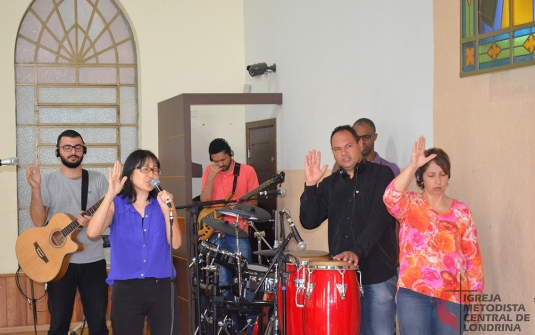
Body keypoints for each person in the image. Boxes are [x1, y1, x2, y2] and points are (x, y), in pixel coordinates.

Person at [300, 125, 398, 335]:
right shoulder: (329, 184)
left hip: (378, 274)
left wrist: (357, 250)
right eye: (337, 149)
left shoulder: (382, 174)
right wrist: (310, 185)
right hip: (343, 279)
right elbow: (309, 221)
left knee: (380, 332)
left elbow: (379, 219)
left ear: (360, 144)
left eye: (348, 146)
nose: (343, 153)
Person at [382, 136, 484, 335]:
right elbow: (389, 196)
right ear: (421, 178)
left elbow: (473, 259)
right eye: (431, 175)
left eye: (443, 174)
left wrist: (476, 297)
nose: (438, 181)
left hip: (453, 296)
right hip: (413, 294)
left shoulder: (462, 212)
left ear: (448, 176)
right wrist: (412, 166)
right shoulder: (410, 204)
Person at [87, 150, 182, 335]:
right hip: (127, 288)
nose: (152, 175)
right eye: (145, 169)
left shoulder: (163, 204)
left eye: (155, 170)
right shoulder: (117, 203)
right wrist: (109, 195)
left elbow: (176, 243)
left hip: (161, 286)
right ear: (130, 173)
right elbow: (92, 232)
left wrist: (167, 210)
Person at [26, 129, 109, 335]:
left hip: (93, 260)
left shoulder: (98, 180)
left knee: (98, 325)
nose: (73, 151)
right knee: (58, 326)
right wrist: (36, 188)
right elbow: (38, 221)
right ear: (58, 151)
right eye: (67, 147)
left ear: (83, 150)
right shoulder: (49, 181)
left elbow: (110, 218)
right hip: (58, 264)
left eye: (77, 147)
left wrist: (94, 222)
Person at [200, 138, 259, 333]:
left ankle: (249, 328)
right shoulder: (210, 171)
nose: (220, 164)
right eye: (215, 161)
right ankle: (227, 328)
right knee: (222, 283)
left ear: (230, 154)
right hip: (215, 234)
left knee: (245, 280)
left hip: (237, 233)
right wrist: (210, 178)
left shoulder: (247, 171)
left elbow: (255, 204)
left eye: (223, 160)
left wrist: (240, 208)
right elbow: (204, 202)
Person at [333, 118, 400, 176]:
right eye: (357, 138)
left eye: (366, 137)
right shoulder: (344, 165)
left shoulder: (390, 168)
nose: (361, 142)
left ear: (375, 137)